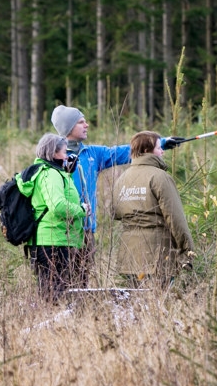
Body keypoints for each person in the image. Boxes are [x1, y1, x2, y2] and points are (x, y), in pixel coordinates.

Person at [50, 105, 183, 287]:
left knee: (82, 278)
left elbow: (122, 152)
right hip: (60, 229)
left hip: (87, 229)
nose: (87, 125)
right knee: (60, 279)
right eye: (81, 122)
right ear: (68, 127)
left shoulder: (92, 153)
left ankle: (79, 314)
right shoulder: (55, 156)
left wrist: (162, 143)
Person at [111, 131, 195, 289]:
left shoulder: (121, 179)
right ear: (146, 151)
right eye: (159, 147)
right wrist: (187, 251)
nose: (163, 150)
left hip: (128, 254)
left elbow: (116, 213)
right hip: (157, 253)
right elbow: (175, 218)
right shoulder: (160, 177)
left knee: (134, 304)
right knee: (160, 302)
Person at [18, 134, 89, 300]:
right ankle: (53, 323)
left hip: (49, 239)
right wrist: (81, 209)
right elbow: (57, 206)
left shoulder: (49, 172)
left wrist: (68, 173)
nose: (67, 156)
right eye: (65, 152)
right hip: (52, 240)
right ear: (54, 153)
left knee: (51, 290)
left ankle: (51, 321)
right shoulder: (50, 174)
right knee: (55, 293)